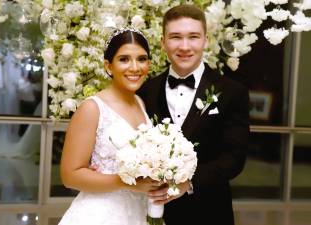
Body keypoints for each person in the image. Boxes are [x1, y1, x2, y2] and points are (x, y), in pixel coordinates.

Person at [138, 4, 250, 225]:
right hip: (153, 210)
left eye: (193, 37)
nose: (185, 46)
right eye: (176, 37)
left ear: (206, 41)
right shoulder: (145, 91)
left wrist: (188, 183)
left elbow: (234, 158)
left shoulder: (232, 92)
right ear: (163, 43)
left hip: (209, 211)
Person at [58, 28, 160, 225]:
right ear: (108, 65)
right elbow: (70, 176)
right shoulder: (92, 108)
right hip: (100, 215)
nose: (135, 67)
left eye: (142, 59)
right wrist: (126, 182)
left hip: (137, 214)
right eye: (124, 59)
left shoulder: (140, 103)